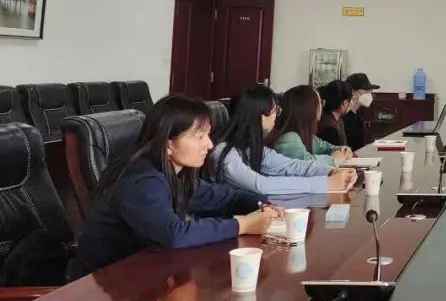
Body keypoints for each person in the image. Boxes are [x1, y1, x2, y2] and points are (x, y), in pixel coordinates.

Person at [68, 96, 278, 280]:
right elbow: (174, 233)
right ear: (168, 143)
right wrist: (243, 224)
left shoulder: (176, 174)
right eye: (199, 137)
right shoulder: (142, 180)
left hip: (143, 276)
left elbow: (227, 198)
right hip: (99, 289)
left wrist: (261, 205)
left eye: (208, 135)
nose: (209, 145)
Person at [211, 85, 358, 195]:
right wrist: (326, 184)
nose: (277, 116)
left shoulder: (252, 147)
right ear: (262, 117)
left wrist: (330, 171)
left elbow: (291, 166)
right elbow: (262, 185)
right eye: (276, 111)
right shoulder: (224, 155)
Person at [267, 85, 353, 166]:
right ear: (307, 109)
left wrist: (344, 150)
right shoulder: (289, 138)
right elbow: (306, 164)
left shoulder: (306, 136)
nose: (322, 107)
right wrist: (333, 159)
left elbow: (326, 148)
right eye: (320, 103)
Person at [342, 72, 379, 149]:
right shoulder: (344, 117)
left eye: (371, 91)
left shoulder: (357, 114)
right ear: (353, 92)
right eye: (366, 90)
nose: (370, 94)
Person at [317, 80, 354, 147]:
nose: (352, 103)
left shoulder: (333, 119)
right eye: (351, 100)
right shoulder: (329, 128)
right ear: (345, 103)